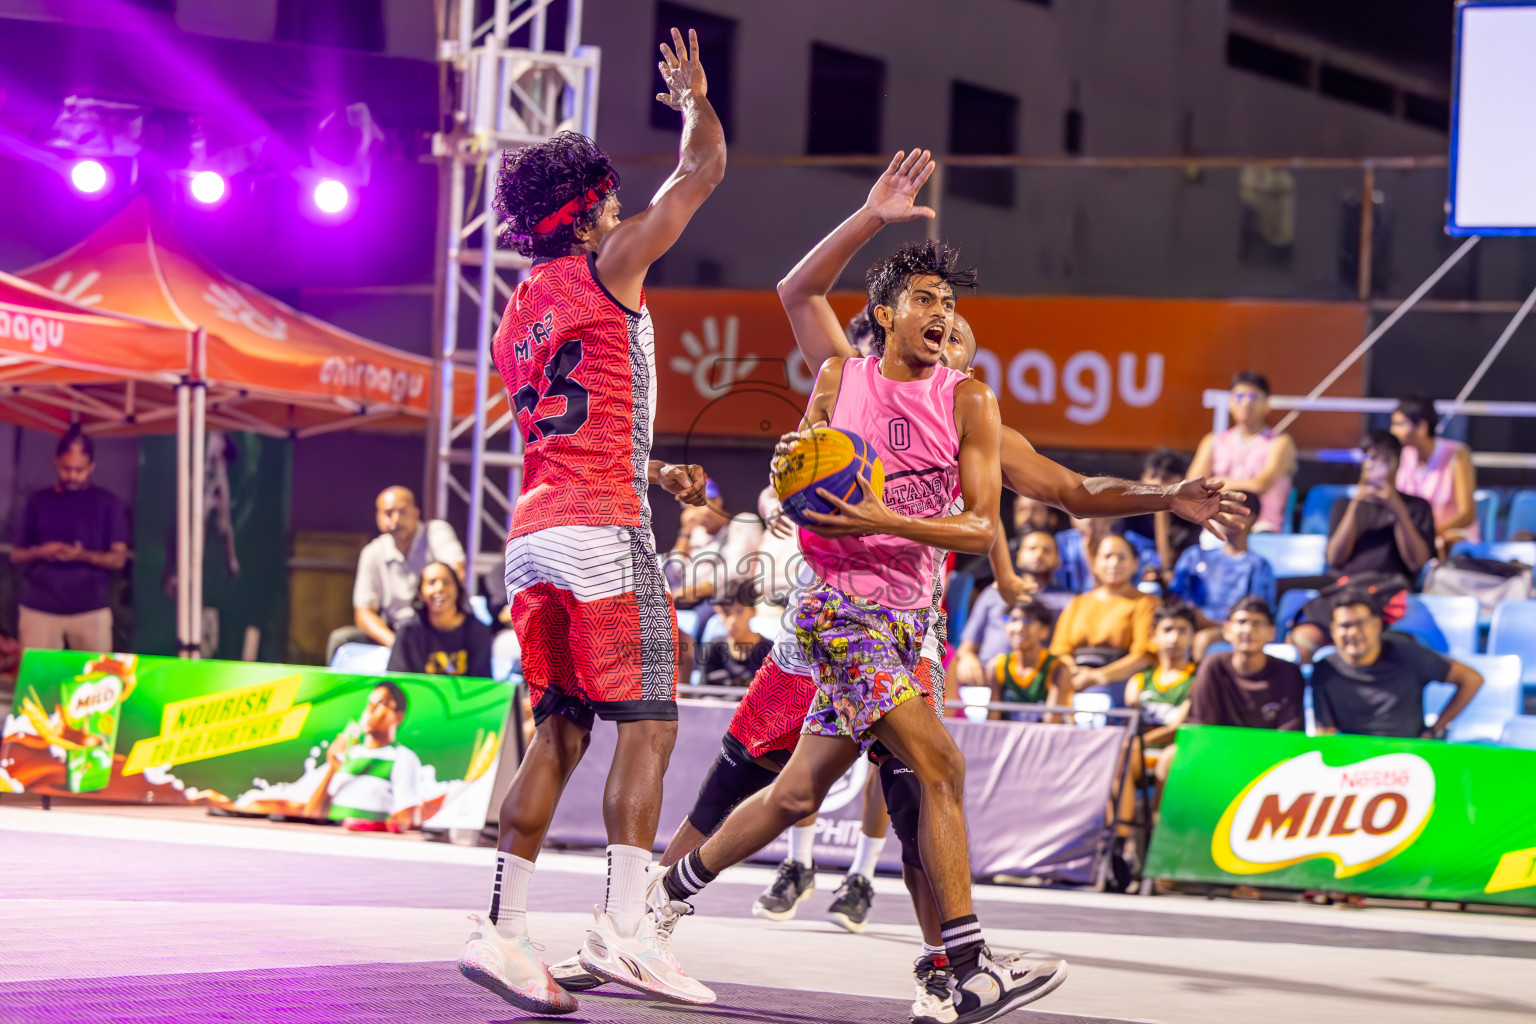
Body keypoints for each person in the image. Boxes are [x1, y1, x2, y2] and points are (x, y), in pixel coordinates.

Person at [456, 27, 722, 1014]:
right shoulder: (610, 262)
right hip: (605, 533)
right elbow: (706, 172)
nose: (619, 202)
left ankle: (502, 928)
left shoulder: (514, 309)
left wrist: (649, 462)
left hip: (531, 538)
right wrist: (694, 103)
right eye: (607, 192)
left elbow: (567, 423)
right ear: (588, 205)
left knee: (559, 732)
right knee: (648, 728)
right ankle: (620, 928)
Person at [196, 682, 423, 833]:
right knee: (256, 803)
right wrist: (333, 767)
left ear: (398, 716)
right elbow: (313, 812)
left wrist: (372, 826)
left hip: (355, 832)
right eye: (369, 703)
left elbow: (407, 820)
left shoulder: (402, 758)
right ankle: (225, 804)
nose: (370, 710)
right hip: (322, 821)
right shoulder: (348, 754)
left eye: (381, 704)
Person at [1288, 431, 1435, 662]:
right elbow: (1335, 558)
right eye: (1371, 458)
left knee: (1393, 646)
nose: (1378, 466)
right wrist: (1356, 504)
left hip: (1386, 593)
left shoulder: (1417, 507)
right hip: (1343, 590)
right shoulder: (1345, 505)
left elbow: (1417, 562)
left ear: (1398, 463)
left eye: (1386, 459)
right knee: (1303, 638)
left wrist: (1397, 510)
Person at [12, 426, 129, 653]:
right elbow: (17, 554)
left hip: (91, 609)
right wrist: (41, 552)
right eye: (67, 469)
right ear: (56, 463)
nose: (72, 475)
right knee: (39, 683)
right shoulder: (38, 501)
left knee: (95, 683)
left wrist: (82, 555)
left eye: (79, 470)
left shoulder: (108, 503)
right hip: (39, 607)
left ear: (91, 467)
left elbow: (118, 559)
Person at [1312, 592, 1483, 738]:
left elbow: (1472, 679)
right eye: (1345, 625)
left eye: (1361, 623)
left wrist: (1433, 731)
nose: (1354, 632)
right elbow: (1325, 732)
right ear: (1333, 630)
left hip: (1409, 757)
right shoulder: (1325, 669)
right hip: (1356, 762)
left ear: (1377, 625)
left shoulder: (1407, 654)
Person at [327, 486, 466, 664]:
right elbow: (363, 612)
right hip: (397, 632)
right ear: (378, 518)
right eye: (389, 513)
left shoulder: (436, 532)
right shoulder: (373, 552)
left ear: (416, 513)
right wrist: (395, 643)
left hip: (436, 626)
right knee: (341, 639)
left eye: (402, 512)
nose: (396, 519)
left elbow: (457, 572)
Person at [1116, 600, 1198, 876]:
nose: (1174, 638)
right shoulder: (1139, 681)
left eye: (1183, 630)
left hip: (1177, 753)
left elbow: (1178, 727)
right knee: (1122, 755)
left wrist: (1146, 737)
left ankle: (1157, 842)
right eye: (1168, 629)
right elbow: (1130, 723)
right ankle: (1119, 842)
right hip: (1139, 751)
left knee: (1157, 754)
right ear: (1154, 636)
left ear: (1192, 637)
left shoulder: (1196, 680)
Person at [952, 531, 1067, 688]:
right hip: (986, 678)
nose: (1039, 554)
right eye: (1032, 549)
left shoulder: (1067, 601)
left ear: (1057, 559)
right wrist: (967, 658)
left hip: (1040, 683)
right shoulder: (994, 593)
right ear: (1018, 556)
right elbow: (967, 647)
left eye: (1047, 550)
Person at [1168, 491, 1275, 658]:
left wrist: (1211, 623)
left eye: (1231, 511)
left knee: (1203, 639)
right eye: (1221, 510)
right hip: (1185, 624)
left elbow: (1256, 610)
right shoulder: (1195, 555)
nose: (1223, 515)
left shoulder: (1258, 565)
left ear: (1250, 518)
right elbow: (1175, 597)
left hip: (1230, 629)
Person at [1051, 535, 1158, 700]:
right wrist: (1076, 672)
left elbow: (1143, 656)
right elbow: (1059, 651)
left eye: (1121, 557)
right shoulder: (1077, 603)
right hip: (1076, 684)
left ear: (1135, 564)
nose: (1114, 563)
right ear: (1094, 563)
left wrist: (1098, 677)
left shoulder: (1146, 603)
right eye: (1107, 556)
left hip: (1121, 688)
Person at [1189, 372, 1297, 532]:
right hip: (1217, 528)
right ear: (1230, 402)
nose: (1246, 402)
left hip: (1262, 530)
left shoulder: (1281, 443)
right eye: (1239, 397)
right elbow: (1192, 487)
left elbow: (1260, 484)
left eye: (1252, 397)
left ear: (1266, 403)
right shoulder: (1212, 441)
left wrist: (1215, 482)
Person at [1187, 595, 1306, 731]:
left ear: (1272, 632)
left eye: (1257, 623)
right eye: (1241, 622)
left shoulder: (1288, 673)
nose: (1248, 629)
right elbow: (1200, 725)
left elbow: (1289, 734)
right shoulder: (1213, 667)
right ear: (1227, 629)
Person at [1391, 395, 1478, 549]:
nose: (1393, 430)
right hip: (1413, 538)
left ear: (1421, 427)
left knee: (1445, 543)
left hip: (1449, 537)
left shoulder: (1457, 454)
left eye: (1400, 424)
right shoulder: (1403, 455)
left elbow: (1467, 514)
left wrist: (1430, 533)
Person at [387, 562, 494, 677]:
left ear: (457, 589)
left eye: (446, 582)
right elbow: (397, 684)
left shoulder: (478, 631)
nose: (440, 588)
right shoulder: (408, 631)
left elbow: (482, 685)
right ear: (420, 593)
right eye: (432, 583)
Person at [986, 599, 1070, 720]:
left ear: (1044, 631)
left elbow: (1051, 723)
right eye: (1013, 619)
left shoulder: (1057, 669)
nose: (1018, 628)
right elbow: (992, 721)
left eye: (1028, 620)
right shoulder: (997, 666)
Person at [1125, 448, 1201, 578]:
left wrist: (1161, 511)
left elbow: (1168, 567)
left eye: (1165, 478)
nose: (1158, 483)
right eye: (1153, 476)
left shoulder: (1189, 519)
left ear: (1181, 483)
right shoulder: (1126, 513)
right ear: (1143, 478)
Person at [695, 580, 771, 687]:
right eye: (726, 613)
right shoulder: (713, 648)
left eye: (739, 612)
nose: (732, 621)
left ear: (753, 611)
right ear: (718, 612)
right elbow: (700, 693)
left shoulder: (770, 652)